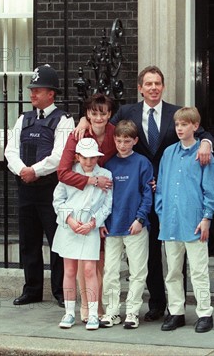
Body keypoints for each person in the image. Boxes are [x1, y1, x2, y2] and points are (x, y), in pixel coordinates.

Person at [75, 65, 214, 321]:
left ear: (163, 86)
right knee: (148, 254)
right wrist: (84, 119)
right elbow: (105, 124)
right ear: (140, 88)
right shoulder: (128, 111)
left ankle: (178, 308)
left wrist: (206, 143)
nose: (153, 88)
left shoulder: (176, 113)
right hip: (139, 194)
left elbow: (201, 133)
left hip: (166, 192)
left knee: (176, 255)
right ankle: (157, 304)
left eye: (157, 83)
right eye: (148, 84)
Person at [5, 64, 75, 307]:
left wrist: (34, 171)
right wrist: (23, 171)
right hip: (26, 188)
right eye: (31, 90)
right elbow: (10, 150)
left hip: (50, 189)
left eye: (38, 90)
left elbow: (60, 156)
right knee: (28, 240)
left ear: (51, 94)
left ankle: (59, 290)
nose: (32, 94)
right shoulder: (24, 118)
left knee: (57, 240)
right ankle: (32, 289)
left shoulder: (64, 120)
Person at [155, 107, 214, 333]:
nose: (180, 128)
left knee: (199, 270)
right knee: (172, 270)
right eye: (177, 125)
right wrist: (161, 213)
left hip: (194, 221)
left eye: (184, 124)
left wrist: (206, 218)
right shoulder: (168, 154)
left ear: (195, 126)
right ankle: (176, 312)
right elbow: (161, 186)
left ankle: (204, 312)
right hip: (171, 222)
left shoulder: (203, 154)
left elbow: (211, 188)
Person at [57, 93, 116, 321]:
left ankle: (97, 309)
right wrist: (91, 180)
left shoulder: (113, 132)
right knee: (75, 267)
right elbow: (63, 173)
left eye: (103, 113)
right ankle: (80, 311)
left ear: (109, 114)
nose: (98, 117)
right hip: (82, 197)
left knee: (96, 262)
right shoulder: (78, 134)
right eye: (93, 113)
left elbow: (128, 146)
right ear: (87, 115)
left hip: (105, 196)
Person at [52, 138, 112, 330]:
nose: (88, 162)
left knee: (89, 270)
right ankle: (69, 313)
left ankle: (93, 314)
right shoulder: (69, 175)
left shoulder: (105, 174)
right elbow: (57, 200)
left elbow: (107, 204)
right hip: (69, 227)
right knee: (69, 270)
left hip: (90, 228)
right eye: (85, 158)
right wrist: (69, 220)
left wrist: (94, 223)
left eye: (93, 158)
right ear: (77, 157)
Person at [99, 120, 153, 330]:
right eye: (119, 140)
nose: (122, 144)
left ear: (135, 141)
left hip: (135, 227)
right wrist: (103, 221)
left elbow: (148, 193)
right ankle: (112, 312)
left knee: (138, 271)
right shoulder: (109, 164)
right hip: (112, 227)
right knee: (110, 271)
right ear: (114, 139)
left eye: (127, 141)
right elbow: (102, 197)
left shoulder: (142, 163)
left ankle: (132, 311)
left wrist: (140, 219)